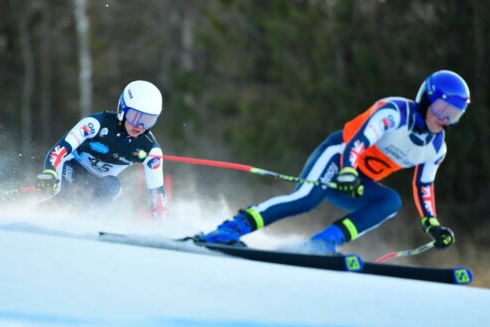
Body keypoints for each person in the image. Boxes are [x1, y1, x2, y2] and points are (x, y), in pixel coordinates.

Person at [198, 70, 470, 254]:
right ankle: (230, 229)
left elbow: (424, 187)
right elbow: (361, 140)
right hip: (339, 157)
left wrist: (431, 224)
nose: (444, 120)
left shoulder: (436, 148)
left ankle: (323, 244)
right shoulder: (394, 113)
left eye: (454, 115)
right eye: (441, 110)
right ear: (426, 100)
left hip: (358, 182)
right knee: (305, 199)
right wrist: (349, 169)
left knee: (391, 203)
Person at [35, 80, 167, 220]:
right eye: (135, 117)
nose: (140, 126)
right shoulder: (96, 124)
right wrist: (50, 171)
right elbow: (60, 149)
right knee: (66, 197)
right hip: (71, 168)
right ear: (123, 109)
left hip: (97, 183)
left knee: (113, 186)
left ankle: (87, 221)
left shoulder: (150, 149)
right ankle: (38, 213)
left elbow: (157, 194)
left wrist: (160, 228)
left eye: (148, 121)